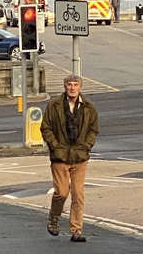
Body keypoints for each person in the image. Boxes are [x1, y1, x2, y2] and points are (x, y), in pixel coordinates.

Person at [40, 75, 99, 242]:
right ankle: (54, 216)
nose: (72, 88)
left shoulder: (89, 108)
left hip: (80, 157)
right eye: (69, 85)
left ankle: (76, 230)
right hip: (60, 157)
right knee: (62, 192)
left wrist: (86, 146)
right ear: (65, 86)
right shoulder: (54, 105)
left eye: (75, 85)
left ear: (80, 87)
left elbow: (93, 130)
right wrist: (55, 146)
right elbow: (45, 127)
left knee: (78, 194)